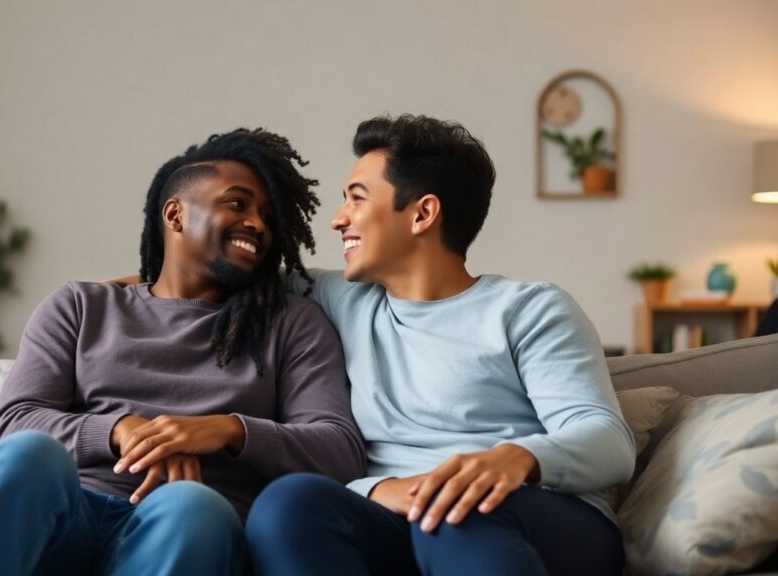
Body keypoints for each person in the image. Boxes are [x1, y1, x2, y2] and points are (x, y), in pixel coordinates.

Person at [0, 128, 366, 576]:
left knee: (193, 504)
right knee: (29, 454)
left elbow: (338, 450)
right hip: (71, 515)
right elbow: (13, 424)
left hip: (185, 525)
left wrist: (225, 430)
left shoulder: (292, 323)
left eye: (268, 215)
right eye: (237, 204)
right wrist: (119, 430)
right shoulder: (81, 306)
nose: (258, 224)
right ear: (175, 215)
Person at [245, 115, 636, 576]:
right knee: (288, 503)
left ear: (423, 214)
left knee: (455, 510)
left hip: (531, 519)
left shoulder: (528, 309)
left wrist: (516, 458)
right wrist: (138, 287)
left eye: (356, 198)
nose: (337, 219)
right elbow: (209, 280)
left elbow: (609, 441)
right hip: (399, 514)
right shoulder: (340, 298)